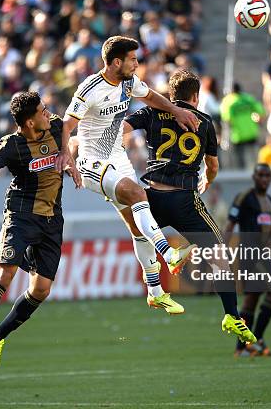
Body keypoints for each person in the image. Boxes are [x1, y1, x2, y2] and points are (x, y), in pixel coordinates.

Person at [56, 36, 199, 315]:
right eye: (133, 59)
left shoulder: (128, 82)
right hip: (91, 161)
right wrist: (66, 156)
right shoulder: (91, 87)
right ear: (117, 62)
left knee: (138, 227)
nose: (137, 63)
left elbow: (150, 96)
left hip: (117, 158)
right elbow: (66, 125)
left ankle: (156, 292)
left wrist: (176, 109)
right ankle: (169, 254)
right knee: (138, 195)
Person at [123, 69, 255, 344]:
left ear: (171, 95)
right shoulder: (205, 122)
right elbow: (213, 166)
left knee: (141, 235)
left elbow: (124, 128)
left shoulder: (151, 113)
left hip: (152, 198)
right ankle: (231, 315)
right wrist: (207, 179)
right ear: (196, 96)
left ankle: (154, 289)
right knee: (219, 256)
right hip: (184, 199)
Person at [0, 91, 81, 370]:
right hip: (22, 216)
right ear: (28, 122)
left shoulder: (54, 125)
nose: (47, 112)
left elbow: (70, 136)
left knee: (41, 289)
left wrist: (69, 158)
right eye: (41, 110)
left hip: (52, 219)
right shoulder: (12, 146)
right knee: (5, 273)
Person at [223, 164, 271, 357]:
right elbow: (230, 224)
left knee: (253, 299)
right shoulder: (244, 198)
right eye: (261, 175)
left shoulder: (270, 201)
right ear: (254, 177)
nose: (264, 179)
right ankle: (254, 340)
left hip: (262, 255)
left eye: (267, 176)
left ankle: (244, 346)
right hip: (249, 254)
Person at [220, 83, 265, 169]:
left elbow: (226, 118)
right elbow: (261, 111)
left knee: (239, 161)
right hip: (251, 132)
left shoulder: (228, 101)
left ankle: (242, 176)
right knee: (254, 158)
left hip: (238, 135)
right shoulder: (248, 98)